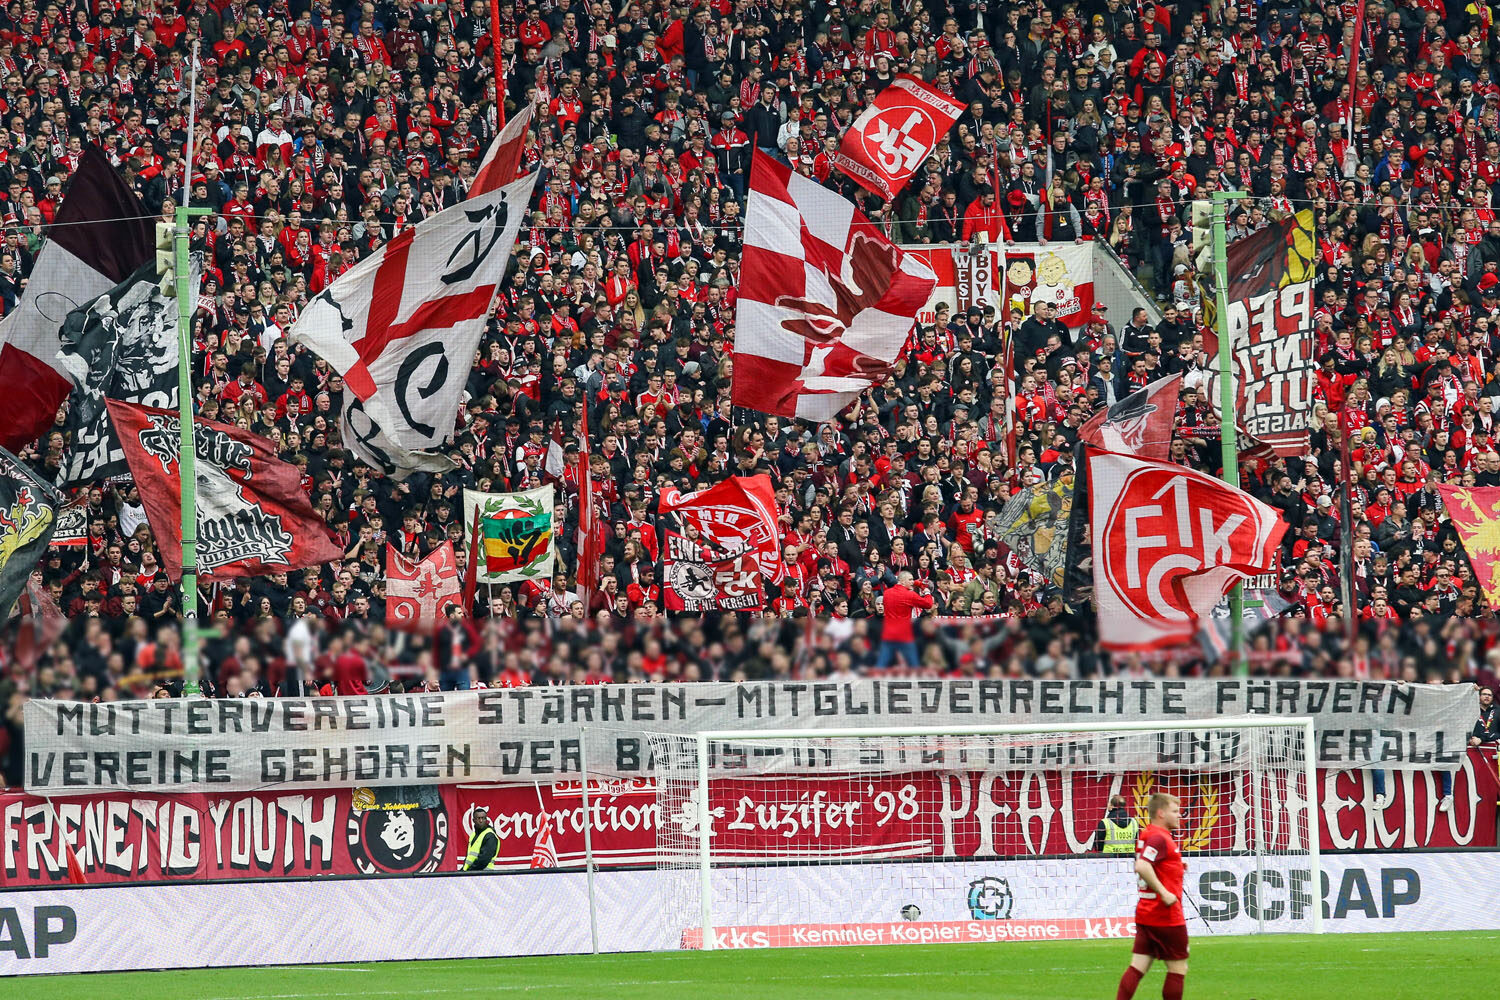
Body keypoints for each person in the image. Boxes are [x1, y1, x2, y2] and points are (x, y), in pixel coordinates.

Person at [1117, 792, 1187, 1000]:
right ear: (1161, 813)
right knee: (1178, 968)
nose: (1179, 815)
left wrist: (1177, 865)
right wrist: (1164, 893)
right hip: (1165, 916)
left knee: (1138, 966)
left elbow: (1151, 863)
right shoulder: (1159, 837)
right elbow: (1142, 865)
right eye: (1175, 811)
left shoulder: (1148, 833)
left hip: (1146, 913)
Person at [875, 571, 933, 668]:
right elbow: (928, 604)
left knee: (881, 664)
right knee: (914, 665)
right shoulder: (909, 594)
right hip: (904, 635)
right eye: (910, 580)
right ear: (902, 581)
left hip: (888, 633)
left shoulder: (886, 593)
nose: (912, 582)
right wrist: (927, 592)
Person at [464, 807, 501, 871]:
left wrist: (469, 871)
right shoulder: (473, 835)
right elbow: (469, 857)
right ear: (473, 820)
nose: (481, 821)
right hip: (473, 873)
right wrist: (463, 871)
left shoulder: (490, 835)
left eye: (483, 818)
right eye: (478, 818)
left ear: (486, 819)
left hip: (484, 874)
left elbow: (483, 860)